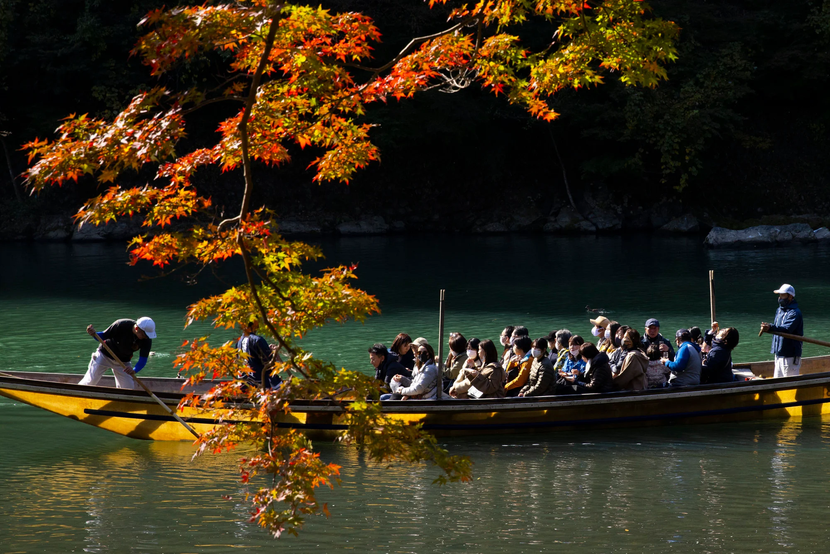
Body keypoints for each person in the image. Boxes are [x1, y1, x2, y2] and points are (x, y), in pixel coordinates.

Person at [80, 317, 156, 389]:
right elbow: (103, 336)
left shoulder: (147, 339)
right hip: (104, 355)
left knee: (128, 389)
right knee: (90, 382)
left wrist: (134, 370)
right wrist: (93, 333)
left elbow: (143, 358)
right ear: (136, 329)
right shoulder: (121, 324)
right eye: (144, 335)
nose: (146, 337)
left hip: (123, 363)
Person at [760, 284, 804, 378]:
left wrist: (770, 327)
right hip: (779, 353)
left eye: (782, 295)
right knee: (777, 381)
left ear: (790, 296)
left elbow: (786, 329)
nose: (780, 298)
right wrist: (770, 327)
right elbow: (777, 327)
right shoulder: (779, 310)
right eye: (779, 295)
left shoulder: (795, 313)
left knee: (790, 384)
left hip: (790, 355)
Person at [237, 318, 282, 388]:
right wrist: (275, 353)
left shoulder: (238, 343)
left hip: (245, 384)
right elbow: (271, 364)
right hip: (262, 383)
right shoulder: (258, 340)